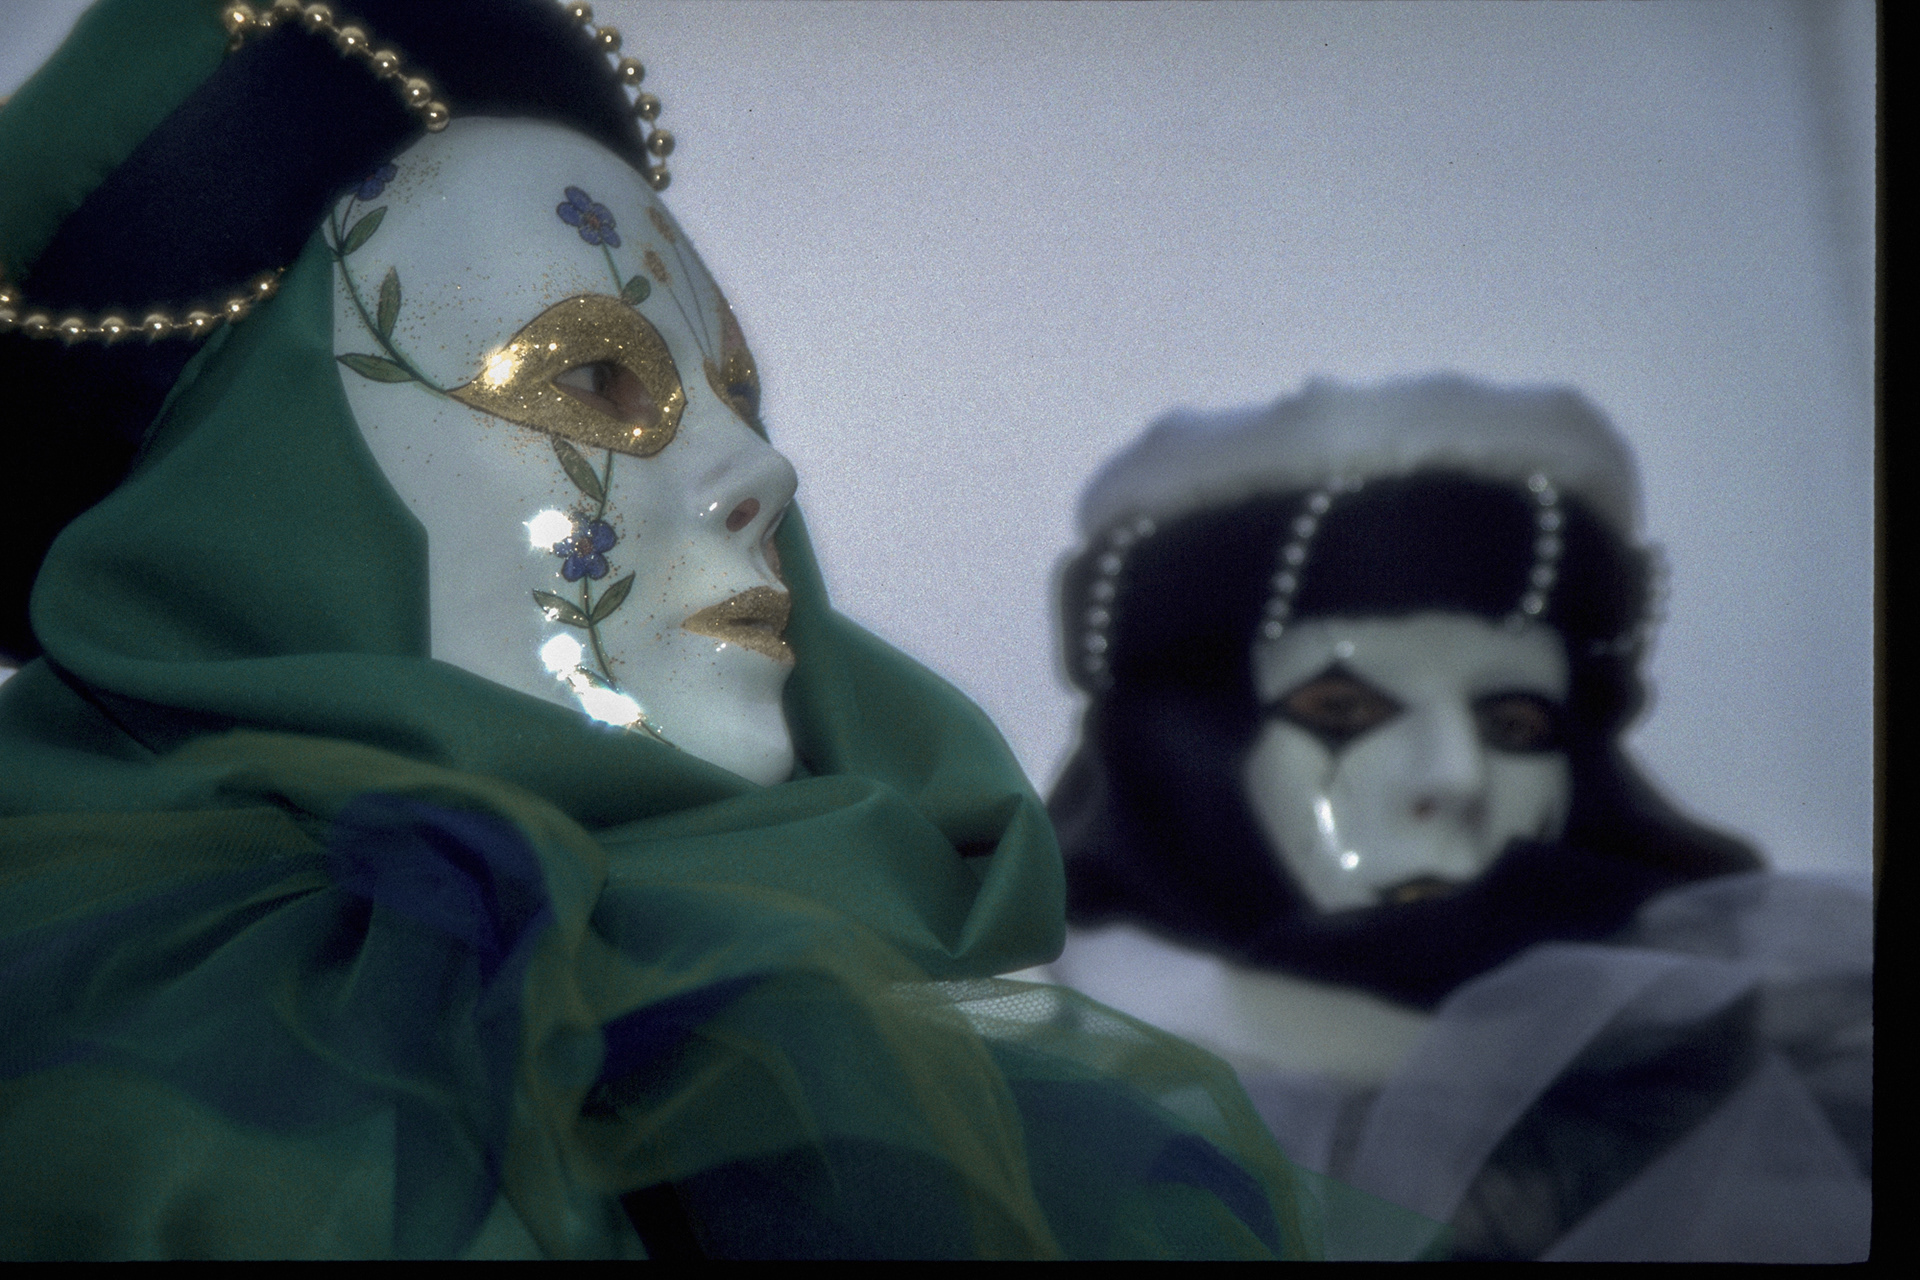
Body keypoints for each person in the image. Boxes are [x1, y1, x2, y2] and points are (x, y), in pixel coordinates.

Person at [0, 0, 1429, 1259]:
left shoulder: (925, 1110)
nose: (764, 473)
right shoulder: (95, 1080)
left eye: (739, 394)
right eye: (593, 378)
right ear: (264, 499)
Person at [1043, 374, 1872, 1261]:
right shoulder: (1028, 1133)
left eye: (1515, 725)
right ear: (1185, 758)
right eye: (1344, 712)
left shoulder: (1750, 1100)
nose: (1455, 778)